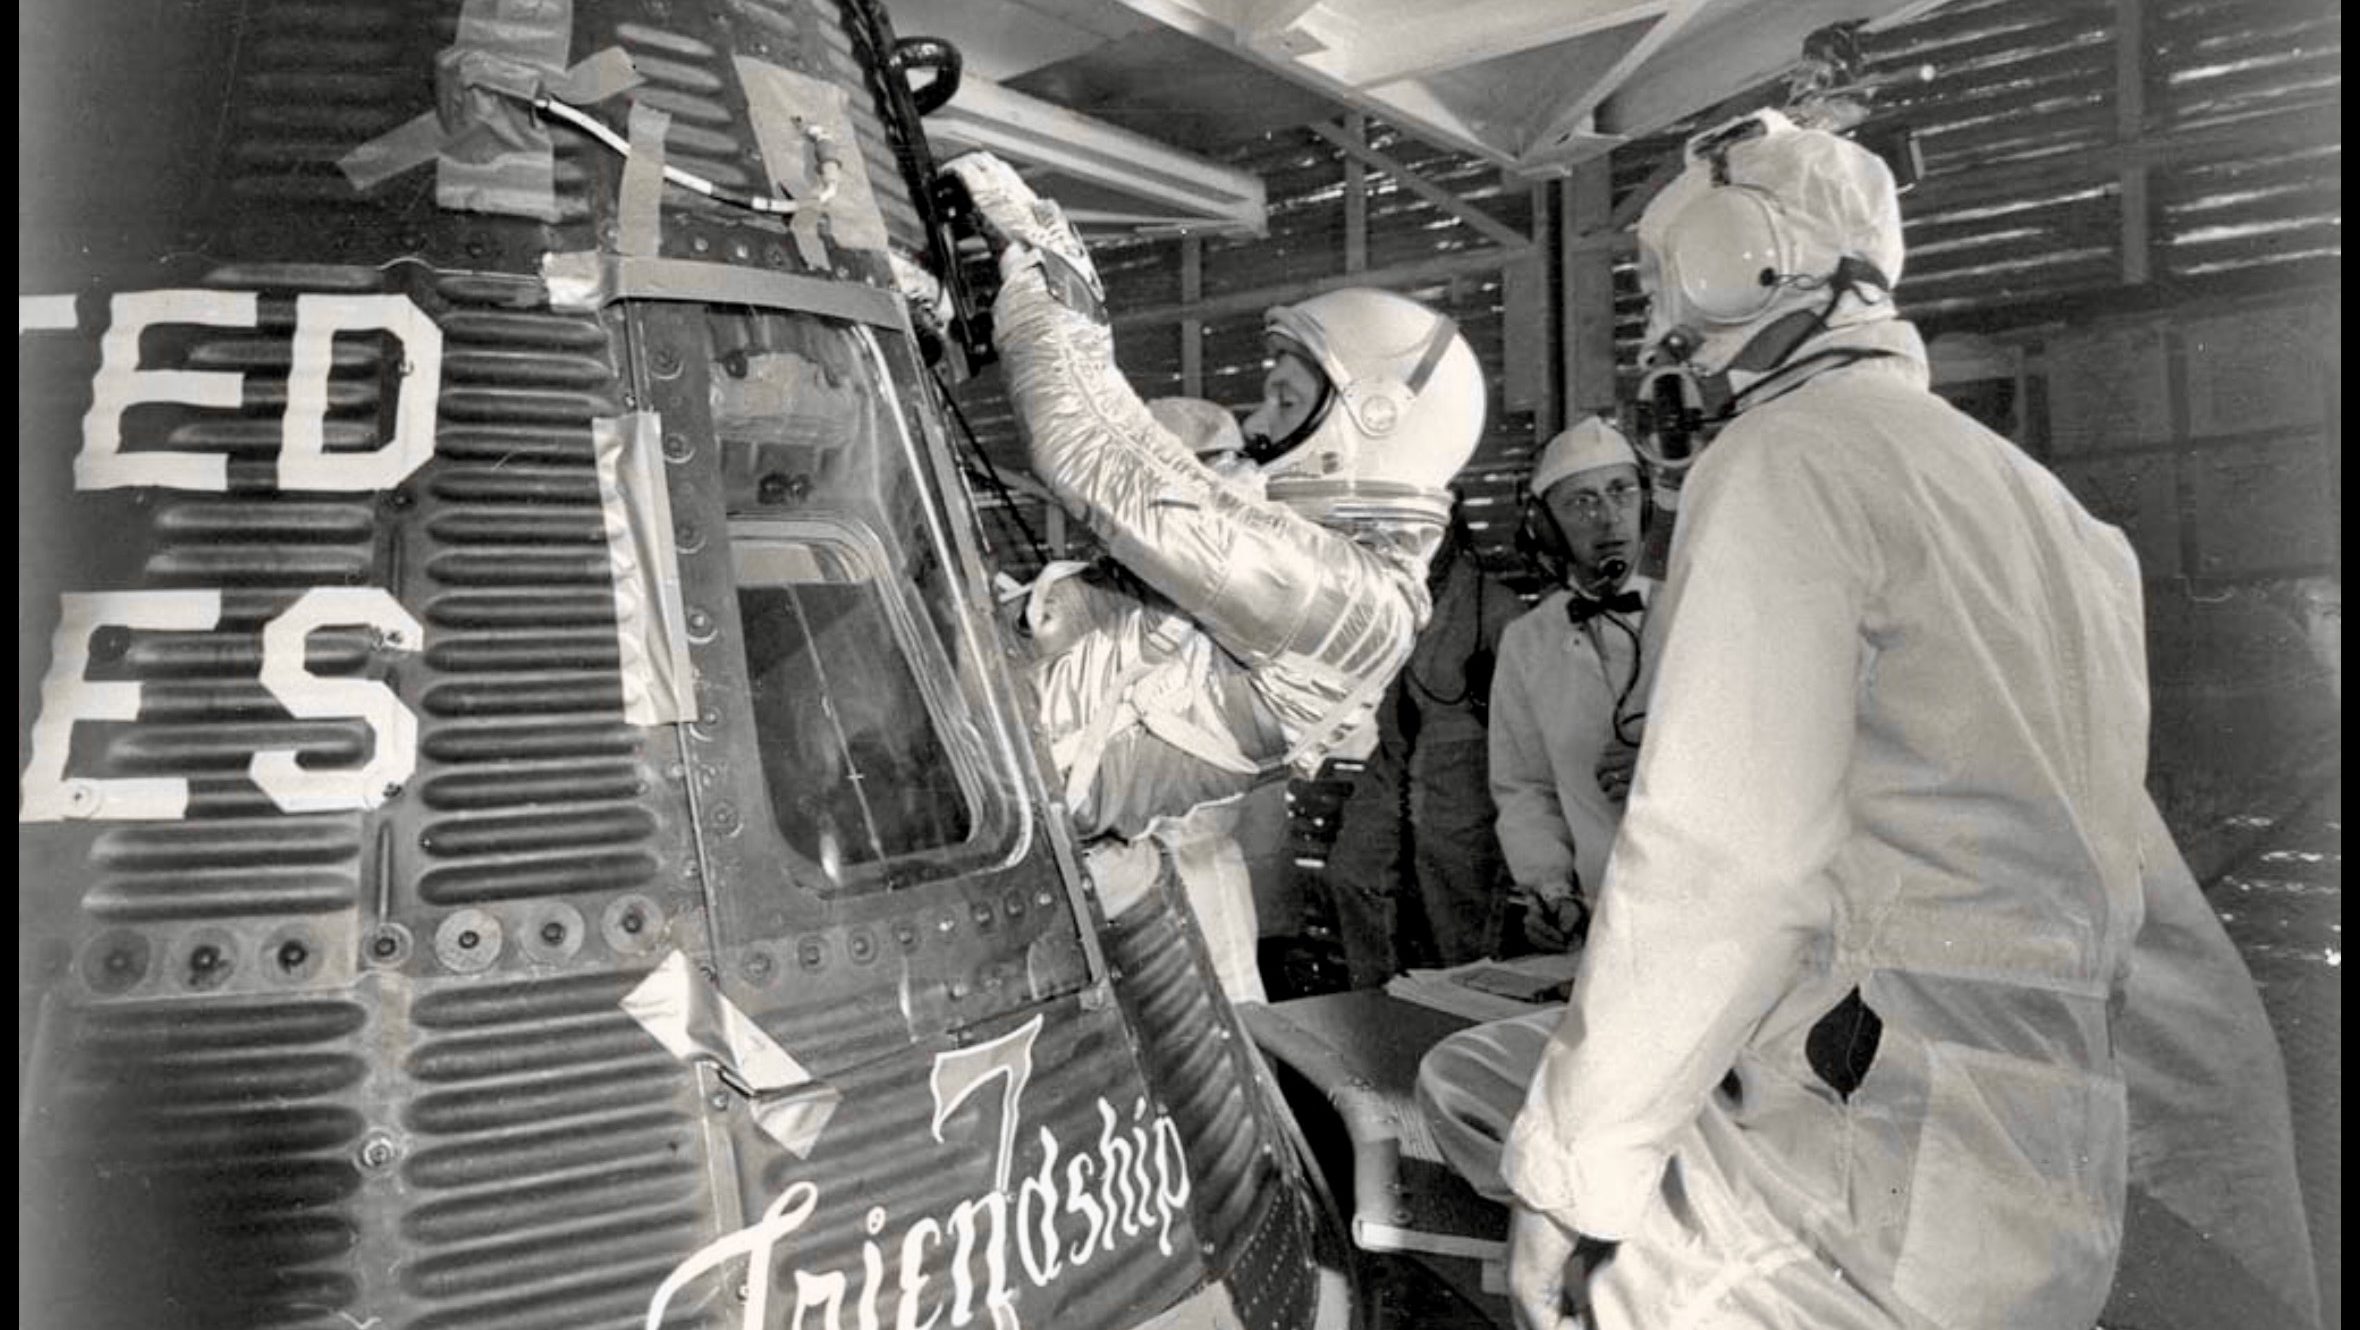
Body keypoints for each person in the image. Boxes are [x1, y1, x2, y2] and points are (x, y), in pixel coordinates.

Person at [1474, 110, 2316, 1330]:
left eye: (1659, 280)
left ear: (1735, 259)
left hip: (1873, 1127)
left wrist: (1570, 1172)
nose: (1657, 321)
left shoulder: (1782, 458)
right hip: (2053, 1151)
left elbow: (1725, 858)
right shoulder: (2053, 514)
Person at [942, 152, 1487, 1005]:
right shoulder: (1329, 577)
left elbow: (1094, 454)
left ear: (1370, 422)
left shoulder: (1352, 601)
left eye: (1282, 398)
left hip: (995, 843)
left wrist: (1048, 270)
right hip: (983, 807)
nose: (1262, 427)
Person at [1410, 417, 1657, 1197]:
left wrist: (1668, 759)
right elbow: (1522, 785)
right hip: (1603, 925)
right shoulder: (1527, 641)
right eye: (1581, 503)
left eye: (1620, 493)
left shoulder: (1703, 611)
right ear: (1546, 524)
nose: (1607, 516)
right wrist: (1549, 884)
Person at [1324, 510, 1523, 985]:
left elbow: (1526, 718)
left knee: (1458, 913)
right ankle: (1375, 1002)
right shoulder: (1382, 599)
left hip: (1467, 769)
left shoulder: (1497, 609)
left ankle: (1463, 1020)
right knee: (1352, 873)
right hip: (1392, 758)